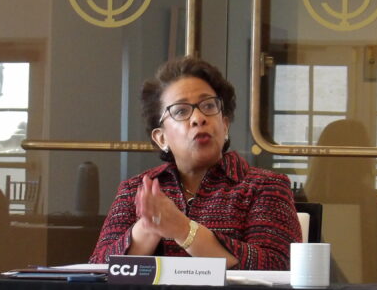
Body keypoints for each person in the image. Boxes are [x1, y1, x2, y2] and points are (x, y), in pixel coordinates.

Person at [90, 56, 301, 270]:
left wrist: (183, 230)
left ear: (225, 125)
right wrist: (148, 227)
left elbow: (279, 268)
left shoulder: (265, 186)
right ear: (161, 137)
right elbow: (96, 271)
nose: (198, 118)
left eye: (209, 105)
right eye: (181, 111)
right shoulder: (136, 190)